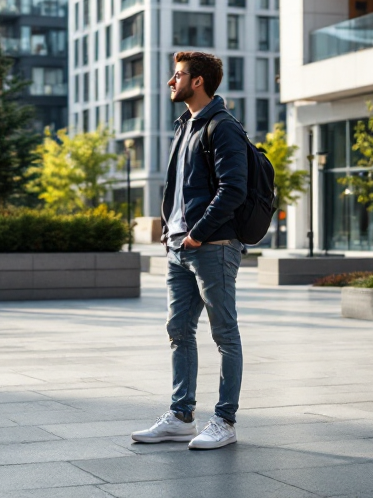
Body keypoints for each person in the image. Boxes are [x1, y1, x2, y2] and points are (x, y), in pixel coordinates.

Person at [132, 51, 246, 452]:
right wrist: (172, 233)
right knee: (178, 331)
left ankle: (225, 420)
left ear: (197, 81)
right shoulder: (184, 126)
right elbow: (177, 188)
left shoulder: (222, 126)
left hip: (211, 246)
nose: (170, 81)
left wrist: (197, 233)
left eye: (177, 75)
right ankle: (182, 416)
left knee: (225, 335)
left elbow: (234, 189)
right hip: (180, 247)